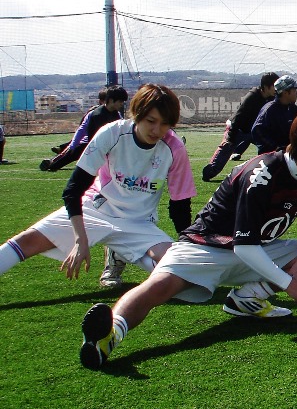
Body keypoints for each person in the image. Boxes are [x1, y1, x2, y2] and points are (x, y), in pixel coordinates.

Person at [79, 100, 297, 370]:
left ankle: (246, 299)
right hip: (205, 246)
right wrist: (288, 282)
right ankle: (108, 336)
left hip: (255, 249)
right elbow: (244, 246)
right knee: (158, 288)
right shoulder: (261, 175)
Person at [0, 84, 195, 290]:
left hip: (139, 223)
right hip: (96, 210)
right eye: (151, 121)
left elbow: (180, 206)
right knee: (27, 241)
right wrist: (80, 240)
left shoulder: (174, 148)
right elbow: (73, 190)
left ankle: (118, 253)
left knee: (184, 274)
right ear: (137, 114)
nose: (157, 130)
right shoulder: (112, 133)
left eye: (165, 124)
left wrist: (186, 247)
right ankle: (118, 251)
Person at [201, 71, 278, 182]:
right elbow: (239, 116)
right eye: (274, 86)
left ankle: (270, 172)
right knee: (225, 150)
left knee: (270, 147)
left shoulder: (272, 98)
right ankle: (209, 172)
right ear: (266, 87)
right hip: (238, 129)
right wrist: (231, 137)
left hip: (254, 131)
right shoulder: (252, 97)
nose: (276, 89)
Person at [40, 85, 128, 172]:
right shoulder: (95, 114)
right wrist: (73, 145)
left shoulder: (117, 115)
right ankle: (51, 163)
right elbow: (82, 130)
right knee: (66, 159)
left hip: (104, 147)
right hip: (88, 146)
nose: (122, 104)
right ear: (111, 100)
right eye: (120, 101)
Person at [251, 75, 297, 154]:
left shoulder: (293, 108)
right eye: (294, 90)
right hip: (271, 157)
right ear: (285, 93)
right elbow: (256, 130)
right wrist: (275, 147)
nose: (296, 93)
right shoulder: (269, 110)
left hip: (288, 154)